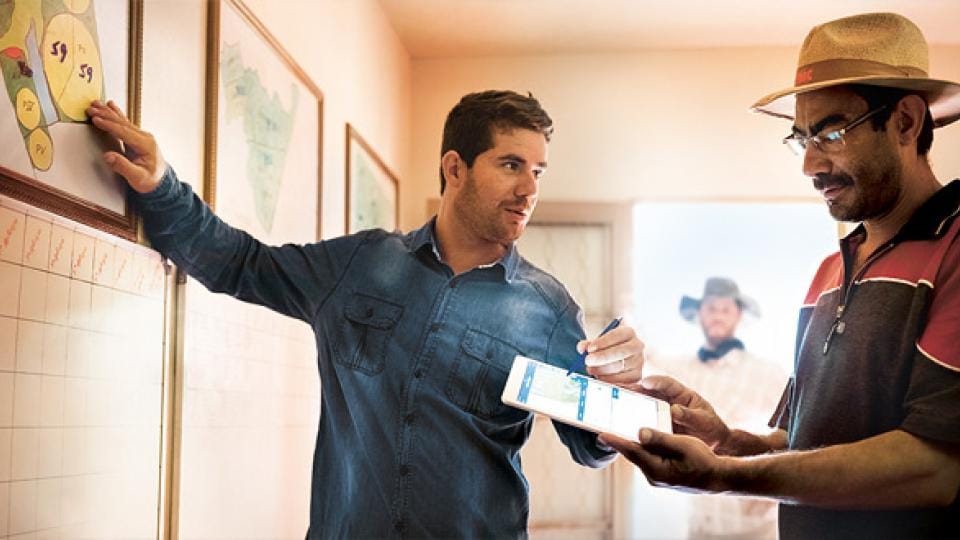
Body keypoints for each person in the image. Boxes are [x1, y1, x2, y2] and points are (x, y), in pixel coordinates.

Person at [86, 90, 645, 537]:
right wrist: (161, 188)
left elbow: (590, 445)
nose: (529, 189)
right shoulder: (359, 264)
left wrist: (618, 388)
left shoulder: (546, 310)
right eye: (511, 165)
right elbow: (242, 264)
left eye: (539, 172)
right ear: (455, 168)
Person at [600, 12, 960, 540]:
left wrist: (727, 477)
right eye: (802, 139)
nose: (810, 164)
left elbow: (936, 465)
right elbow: (801, 440)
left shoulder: (952, 249)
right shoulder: (828, 274)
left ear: (905, 122)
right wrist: (728, 441)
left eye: (832, 132)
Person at [646, 277, 786, 538]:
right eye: (711, 308)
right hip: (701, 526)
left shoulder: (769, 374)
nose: (718, 316)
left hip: (755, 527)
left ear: (739, 315)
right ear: (699, 314)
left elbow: (797, 430)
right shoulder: (680, 369)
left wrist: (778, 484)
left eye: (725, 309)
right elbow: (645, 359)